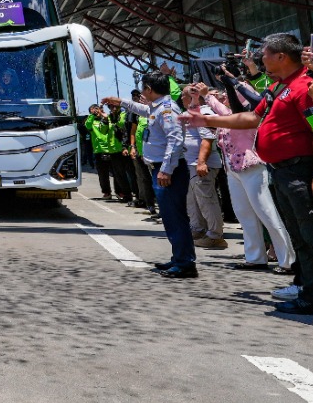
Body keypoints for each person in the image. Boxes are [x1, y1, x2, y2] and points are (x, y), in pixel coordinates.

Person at [183, 33, 313, 330]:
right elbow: (250, 118)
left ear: (282, 56)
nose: (261, 60)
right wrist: (206, 121)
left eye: (265, 54)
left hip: (301, 172)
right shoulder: (277, 87)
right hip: (282, 172)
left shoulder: (304, 87)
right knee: (303, 240)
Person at [202, 84, 295, 274]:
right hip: (233, 170)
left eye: (228, 93)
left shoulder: (246, 115)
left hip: (252, 167)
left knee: (267, 213)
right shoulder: (228, 115)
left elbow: (225, 113)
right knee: (245, 214)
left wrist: (207, 96)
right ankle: (255, 257)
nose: (223, 96)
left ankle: (288, 260)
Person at [126, 71, 194, 278]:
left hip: (169, 171)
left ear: (149, 89)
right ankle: (179, 258)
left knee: (175, 217)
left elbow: (175, 141)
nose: (142, 93)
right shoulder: (157, 108)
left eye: (143, 88)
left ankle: (185, 263)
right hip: (163, 169)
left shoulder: (166, 110)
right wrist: (121, 102)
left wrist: (166, 169)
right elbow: (144, 110)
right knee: (170, 217)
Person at [180, 84, 227, 250]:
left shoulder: (206, 112)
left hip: (202, 165)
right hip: (191, 164)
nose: (181, 97)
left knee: (207, 200)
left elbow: (207, 139)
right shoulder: (194, 111)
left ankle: (215, 235)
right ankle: (198, 229)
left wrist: (201, 162)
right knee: (193, 199)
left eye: (184, 94)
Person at [85, 104, 124, 201]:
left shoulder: (108, 118)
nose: (97, 111)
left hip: (112, 149)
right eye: (94, 110)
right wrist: (92, 115)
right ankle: (106, 192)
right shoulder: (91, 121)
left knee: (116, 172)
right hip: (99, 150)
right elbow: (87, 125)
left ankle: (119, 191)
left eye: (99, 109)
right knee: (103, 174)